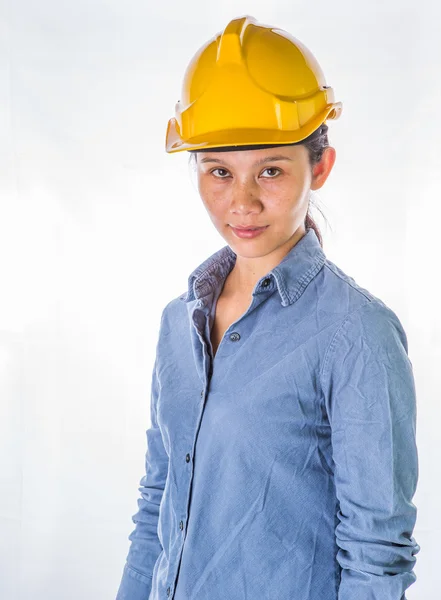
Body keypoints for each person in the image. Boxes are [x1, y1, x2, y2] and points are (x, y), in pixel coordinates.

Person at [116, 15, 420, 600]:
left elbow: (375, 554)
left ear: (321, 168)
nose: (243, 201)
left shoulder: (357, 333)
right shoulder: (177, 324)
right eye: (220, 172)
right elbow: (159, 502)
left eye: (272, 170)